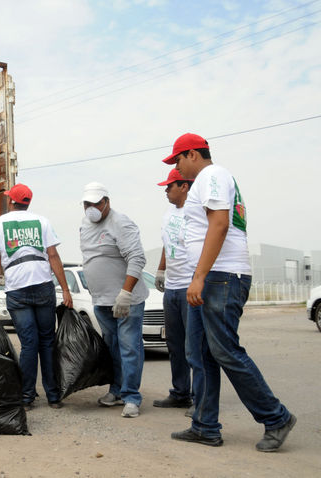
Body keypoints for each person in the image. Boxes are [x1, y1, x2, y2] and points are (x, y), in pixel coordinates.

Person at [164, 133, 295, 451]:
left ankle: (276, 417)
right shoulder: (208, 180)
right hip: (211, 277)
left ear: (192, 154)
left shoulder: (212, 174)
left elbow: (219, 224)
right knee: (200, 354)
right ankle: (205, 426)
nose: (177, 168)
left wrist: (199, 276)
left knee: (225, 351)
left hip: (221, 277)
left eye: (178, 160)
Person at [0, 183, 72, 411]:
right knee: (47, 341)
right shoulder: (42, 221)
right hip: (43, 286)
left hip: (17, 289)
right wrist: (65, 289)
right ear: (28, 203)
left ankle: (26, 397)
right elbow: (53, 256)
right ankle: (53, 396)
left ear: (10, 201)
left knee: (29, 343)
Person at [78, 182, 147, 419]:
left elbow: (137, 258)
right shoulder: (85, 225)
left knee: (129, 348)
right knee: (112, 348)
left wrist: (125, 294)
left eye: (96, 203)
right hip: (102, 301)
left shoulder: (121, 223)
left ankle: (131, 397)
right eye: (87, 204)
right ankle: (116, 390)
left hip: (126, 300)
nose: (91, 208)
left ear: (107, 202)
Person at [153, 169, 196, 415]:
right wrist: (161, 270)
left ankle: (200, 398)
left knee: (194, 345)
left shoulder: (196, 212)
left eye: (170, 186)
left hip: (190, 286)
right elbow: (166, 243)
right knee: (174, 343)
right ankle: (180, 393)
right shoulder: (168, 214)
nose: (166, 190)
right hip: (172, 287)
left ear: (184, 186)